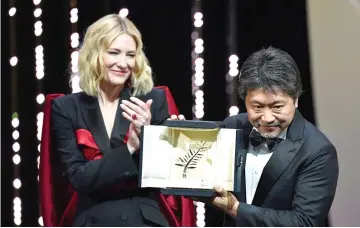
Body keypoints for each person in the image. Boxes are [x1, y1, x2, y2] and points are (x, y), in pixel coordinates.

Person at [173, 47, 339, 226]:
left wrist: (235, 209)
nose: (267, 118)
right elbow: (197, 168)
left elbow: (303, 222)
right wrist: (181, 137)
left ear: (296, 100)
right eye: (257, 107)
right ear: (245, 101)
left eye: (277, 107)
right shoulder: (233, 126)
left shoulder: (317, 151)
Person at [51, 14, 183, 226]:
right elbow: (79, 179)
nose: (123, 63)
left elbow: (164, 174)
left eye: (130, 55)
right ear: (94, 55)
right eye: (114, 53)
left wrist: (160, 139)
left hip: (143, 220)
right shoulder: (66, 107)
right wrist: (130, 147)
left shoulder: (152, 101)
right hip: (93, 219)